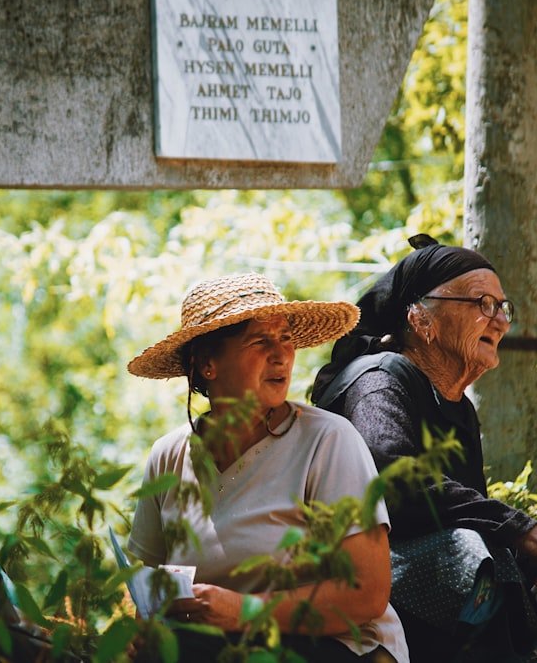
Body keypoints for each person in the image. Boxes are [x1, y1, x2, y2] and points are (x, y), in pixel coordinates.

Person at [311, 235, 537, 662]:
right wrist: (520, 527)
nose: (500, 321)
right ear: (420, 317)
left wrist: (518, 534)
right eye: (482, 303)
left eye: (503, 307)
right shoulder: (379, 378)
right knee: (473, 556)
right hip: (367, 566)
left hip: (440, 567)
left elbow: (464, 505)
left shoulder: (459, 407)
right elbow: (396, 482)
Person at [126, 272, 409, 663]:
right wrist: (141, 627)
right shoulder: (168, 458)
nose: (282, 355)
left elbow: (367, 591)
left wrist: (244, 611)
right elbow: (146, 586)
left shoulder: (326, 440)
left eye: (286, 339)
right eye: (260, 341)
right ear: (208, 364)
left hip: (341, 650)